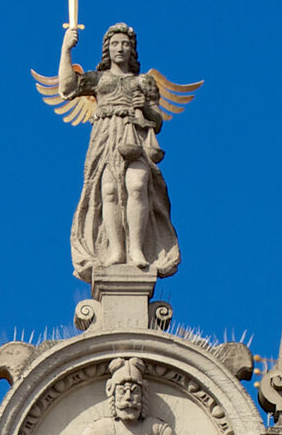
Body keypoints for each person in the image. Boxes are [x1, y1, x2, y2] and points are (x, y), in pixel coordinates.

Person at [44, 23, 194, 279]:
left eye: (125, 44)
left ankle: (136, 248)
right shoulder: (98, 78)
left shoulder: (143, 81)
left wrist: (145, 109)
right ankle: (115, 250)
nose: (120, 48)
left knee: (137, 185)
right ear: (107, 49)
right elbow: (67, 88)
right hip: (105, 138)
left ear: (132, 49)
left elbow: (157, 120)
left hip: (134, 135)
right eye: (115, 44)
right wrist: (66, 49)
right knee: (109, 192)